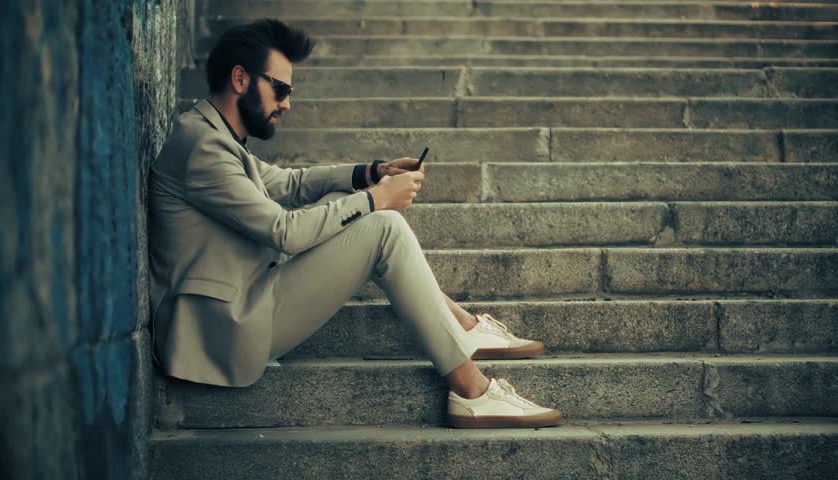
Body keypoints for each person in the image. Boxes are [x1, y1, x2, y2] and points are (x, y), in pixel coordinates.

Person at [147, 18, 562, 429]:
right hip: (221, 331)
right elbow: (284, 232)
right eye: (281, 89)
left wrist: (370, 173)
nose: (287, 103)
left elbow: (287, 184)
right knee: (383, 226)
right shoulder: (202, 147)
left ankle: (462, 327)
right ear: (241, 79)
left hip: (241, 303)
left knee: (354, 206)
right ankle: (472, 391)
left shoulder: (212, 134)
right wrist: (376, 198)